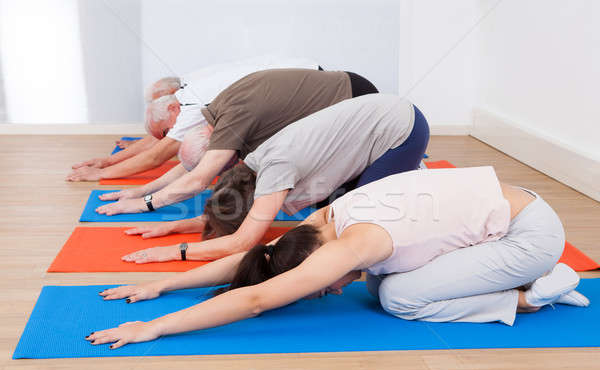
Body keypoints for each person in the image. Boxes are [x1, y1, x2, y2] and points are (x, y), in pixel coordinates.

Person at [87, 166, 588, 349]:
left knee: (397, 297)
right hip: (507, 210)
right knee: (378, 285)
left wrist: (155, 327)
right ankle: (524, 283)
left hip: (530, 236)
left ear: (318, 262)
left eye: (320, 283)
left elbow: (258, 299)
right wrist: (165, 284)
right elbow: (258, 259)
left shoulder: (355, 243)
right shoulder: (327, 219)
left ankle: (532, 294)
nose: (330, 288)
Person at [119, 93, 429, 263]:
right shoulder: (252, 167)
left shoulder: (277, 169)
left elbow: (242, 243)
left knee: (362, 221)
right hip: (377, 116)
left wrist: (176, 251)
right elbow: (229, 209)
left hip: (402, 129)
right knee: (336, 207)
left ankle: (417, 189)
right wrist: (175, 225)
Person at [93, 67, 378, 214]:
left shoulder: (231, 123)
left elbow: (198, 179)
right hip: (342, 89)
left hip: (355, 97)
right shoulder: (214, 116)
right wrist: (142, 190)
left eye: (220, 165)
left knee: (331, 199)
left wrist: (146, 204)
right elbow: (193, 167)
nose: (223, 170)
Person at [66, 56, 321, 182]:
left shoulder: (190, 105)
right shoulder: (185, 95)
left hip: (310, 83)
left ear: (172, 107)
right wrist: (108, 160)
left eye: (166, 130)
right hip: (300, 76)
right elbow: (162, 138)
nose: (167, 136)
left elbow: (158, 154)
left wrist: (100, 174)